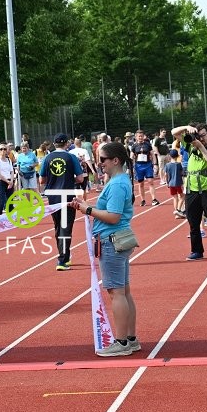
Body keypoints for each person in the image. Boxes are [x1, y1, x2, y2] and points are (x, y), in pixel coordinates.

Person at [70, 142, 139, 357]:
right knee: (123, 291)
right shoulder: (118, 181)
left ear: (115, 161)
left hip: (112, 240)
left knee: (116, 292)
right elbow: (108, 210)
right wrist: (85, 205)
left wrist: (87, 209)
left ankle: (121, 342)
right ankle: (130, 339)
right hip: (116, 238)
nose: (99, 164)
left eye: (103, 160)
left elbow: (114, 216)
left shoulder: (117, 184)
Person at [172, 124, 207, 261]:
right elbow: (174, 132)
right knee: (193, 222)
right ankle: (197, 251)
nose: (200, 138)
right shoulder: (190, 146)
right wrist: (187, 128)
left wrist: (200, 146)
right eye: (198, 135)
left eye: (203, 135)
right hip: (192, 189)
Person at [40, 134, 85, 271]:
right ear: (66, 144)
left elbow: (42, 180)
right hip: (67, 196)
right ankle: (62, 259)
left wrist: (54, 180)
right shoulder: (71, 157)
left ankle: (64, 255)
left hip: (53, 197)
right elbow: (81, 179)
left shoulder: (47, 158)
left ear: (54, 144)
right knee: (66, 227)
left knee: (58, 226)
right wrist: (69, 179)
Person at [131, 130, 159, 206]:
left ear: (143, 137)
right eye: (139, 136)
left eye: (141, 136)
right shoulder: (134, 146)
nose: (140, 137)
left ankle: (154, 199)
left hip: (147, 165)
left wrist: (155, 164)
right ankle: (143, 200)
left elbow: (152, 154)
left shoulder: (147, 144)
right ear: (136, 137)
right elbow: (132, 156)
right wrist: (131, 167)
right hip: (138, 166)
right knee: (141, 184)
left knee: (150, 181)